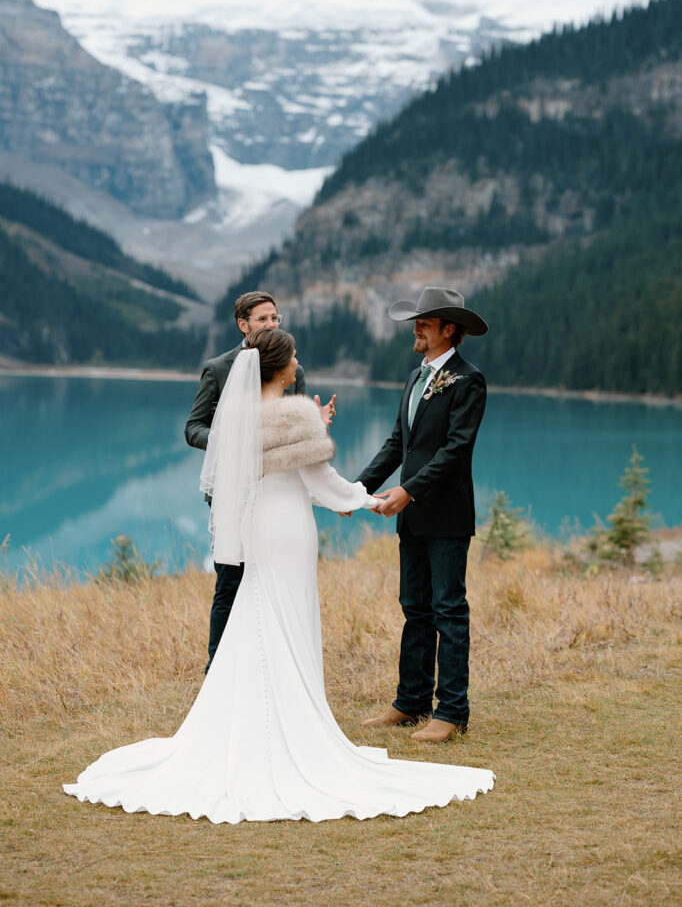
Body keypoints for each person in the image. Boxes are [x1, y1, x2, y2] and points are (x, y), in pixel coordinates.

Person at [63, 328, 494, 823]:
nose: (298, 360)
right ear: (281, 366)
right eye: (294, 355)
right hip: (289, 530)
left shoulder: (241, 417)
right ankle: (303, 719)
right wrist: (363, 498)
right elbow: (319, 480)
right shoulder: (296, 414)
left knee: (258, 611)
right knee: (291, 617)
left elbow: (273, 469)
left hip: (259, 528)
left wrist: (343, 460)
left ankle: (261, 720)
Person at [357, 287, 488, 743]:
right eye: (417, 321)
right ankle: (411, 703)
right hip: (411, 516)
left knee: (448, 610)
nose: (416, 328)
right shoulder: (415, 378)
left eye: (425, 322)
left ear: (448, 330)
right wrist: (357, 490)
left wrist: (408, 491)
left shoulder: (469, 380)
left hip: (446, 514)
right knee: (414, 609)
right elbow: (398, 443)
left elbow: (456, 450)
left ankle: (451, 712)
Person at [184, 290, 335, 671]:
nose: (271, 324)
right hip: (233, 496)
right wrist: (228, 444)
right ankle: (217, 667)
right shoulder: (219, 368)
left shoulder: (292, 370)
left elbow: (294, 435)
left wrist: (316, 423)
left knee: (270, 583)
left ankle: (266, 664)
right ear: (243, 324)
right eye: (263, 319)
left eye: (275, 318)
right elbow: (193, 427)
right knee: (230, 582)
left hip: (276, 498)